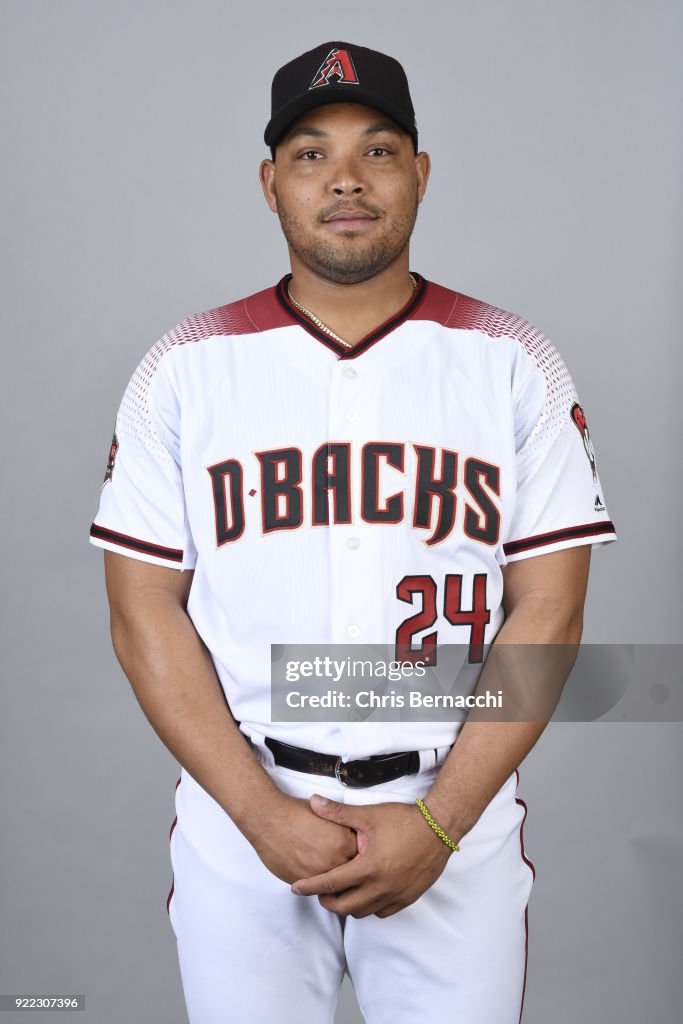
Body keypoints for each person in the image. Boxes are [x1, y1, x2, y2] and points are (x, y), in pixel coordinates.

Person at [89, 41, 616, 1024]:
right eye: (308, 152)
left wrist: (439, 822)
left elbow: (550, 611)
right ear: (268, 182)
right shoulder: (183, 366)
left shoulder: (514, 362)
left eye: (376, 151)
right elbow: (140, 616)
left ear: (419, 173)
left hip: (447, 813)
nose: (343, 179)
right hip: (241, 814)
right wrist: (259, 815)